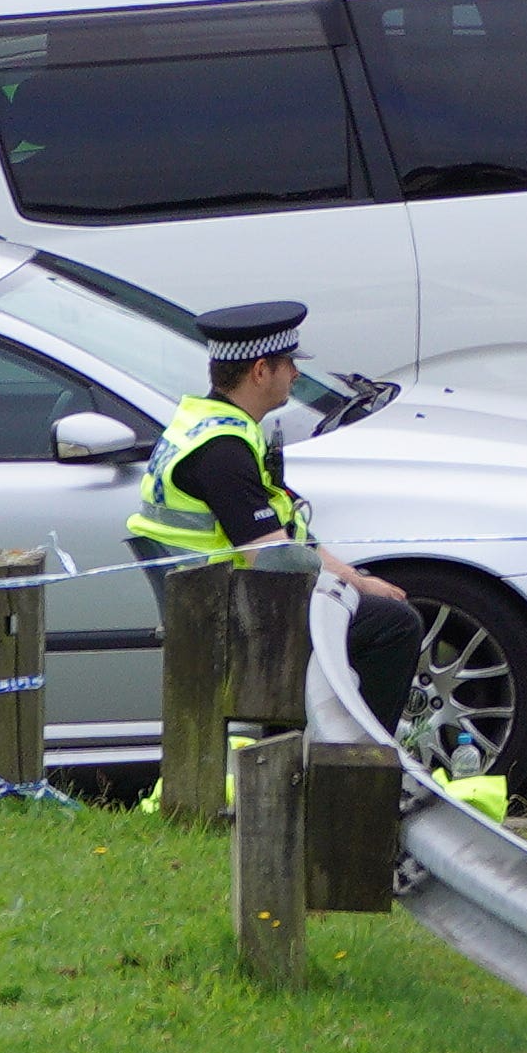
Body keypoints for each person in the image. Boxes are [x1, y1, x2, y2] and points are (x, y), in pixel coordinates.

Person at [125, 300, 423, 737]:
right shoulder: (222, 452)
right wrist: (353, 587)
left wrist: (355, 579)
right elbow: (275, 556)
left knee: (371, 601)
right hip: (233, 616)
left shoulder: (205, 423)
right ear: (261, 371)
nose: (296, 375)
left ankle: (322, 752)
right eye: (288, 365)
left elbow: (284, 532)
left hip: (223, 602)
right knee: (396, 626)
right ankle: (360, 764)